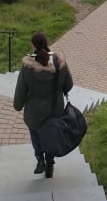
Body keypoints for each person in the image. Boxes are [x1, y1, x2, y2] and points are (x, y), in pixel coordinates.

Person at [13, 30, 73, 178]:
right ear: (47, 43)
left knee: (35, 132)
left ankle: (40, 158)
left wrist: (18, 105)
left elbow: (21, 91)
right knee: (51, 135)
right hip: (55, 110)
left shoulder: (28, 67)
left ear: (33, 46)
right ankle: (50, 163)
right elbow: (69, 85)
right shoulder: (59, 63)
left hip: (35, 113)